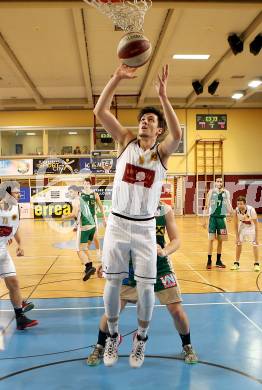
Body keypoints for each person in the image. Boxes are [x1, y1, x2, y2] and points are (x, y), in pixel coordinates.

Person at [94, 64, 182, 367]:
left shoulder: (162, 154)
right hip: (118, 223)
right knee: (112, 284)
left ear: (158, 130)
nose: (145, 122)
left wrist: (163, 97)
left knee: (146, 287)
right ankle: (113, 336)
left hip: (145, 228)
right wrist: (116, 77)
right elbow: (100, 110)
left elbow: (179, 133)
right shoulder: (127, 141)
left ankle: (141, 339)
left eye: (151, 120)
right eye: (143, 118)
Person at [87, 202, 198, 367]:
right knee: (113, 310)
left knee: (176, 311)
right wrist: (106, 262)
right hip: (131, 265)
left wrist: (165, 251)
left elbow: (176, 240)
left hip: (159, 266)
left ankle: (187, 345)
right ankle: (100, 345)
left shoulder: (164, 210)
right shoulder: (125, 208)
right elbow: (113, 240)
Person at [0, 181, 38, 330]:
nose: (19, 195)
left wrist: (20, 245)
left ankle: (20, 318)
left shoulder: (16, 208)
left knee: (14, 283)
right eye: (16, 192)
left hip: (3, 252)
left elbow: (15, 229)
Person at [66, 178, 106, 281]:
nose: (86, 184)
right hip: (84, 222)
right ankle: (89, 265)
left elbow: (101, 207)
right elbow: (77, 213)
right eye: (84, 183)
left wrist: (104, 218)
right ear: (82, 185)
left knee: (94, 239)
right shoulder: (80, 196)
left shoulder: (95, 194)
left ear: (90, 185)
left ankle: (97, 256)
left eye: (88, 183)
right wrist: (76, 224)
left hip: (92, 219)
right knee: (85, 246)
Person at [203, 177, 233, 270]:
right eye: (218, 181)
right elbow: (206, 206)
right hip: (212, 218)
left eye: (221, 181)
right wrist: (204, 220)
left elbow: (228, 204)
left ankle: (218, 261)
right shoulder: (211, 192)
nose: (219, 183)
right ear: (215, 183)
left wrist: (231, 214)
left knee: (221, 240)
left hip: (222, 219)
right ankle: (209, 261)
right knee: (211, 240)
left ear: (222, 183)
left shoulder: (226, 192)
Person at [231, 196, 260, 272]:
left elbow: (256, 225)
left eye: (241, 204)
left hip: (251, 226)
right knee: (238, 243)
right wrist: (237, 237)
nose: (239, 205)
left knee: (255, 244)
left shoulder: (251, 210)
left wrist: (257, 238)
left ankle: (256, 264)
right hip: (242, 226)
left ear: (245, 204)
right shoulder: (236, 211)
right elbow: (235, 224)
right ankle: (236, 263)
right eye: (238, 204)